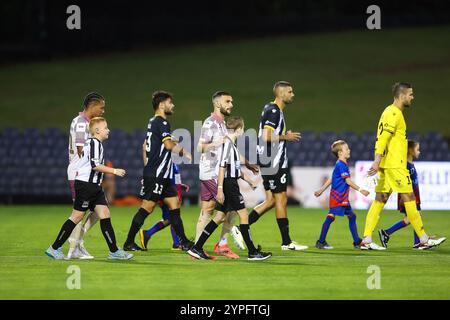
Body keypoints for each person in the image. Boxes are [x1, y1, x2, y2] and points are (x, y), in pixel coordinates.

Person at [362, 82, 446, 250]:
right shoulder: (394, 113)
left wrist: (379, 160)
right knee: (410, 197)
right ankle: (423, 239)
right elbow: (383, 138)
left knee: (380, 200)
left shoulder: (389, 111)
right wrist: (377, 160)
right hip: (394, 164)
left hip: (388, 164)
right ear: (401, 96)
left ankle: (367, 239)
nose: (412, 97)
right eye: (410, 94)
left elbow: (382, 137)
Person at [45, 117, 132, 260]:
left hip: (94, 187)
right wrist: (114, 171)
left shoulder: (95, 144)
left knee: (104, 214)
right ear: (97, 130)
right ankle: (54, 248)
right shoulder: (94, 143)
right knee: (77, 216)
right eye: (105, 127)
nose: (108, 130)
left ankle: (114, 251)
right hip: (86, 185)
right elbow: (95, 165)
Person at [188, 116, 272, 261]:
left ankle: (197, 248)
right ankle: (252, 252)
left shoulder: (229, 144)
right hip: (229, 185)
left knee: (220, 217)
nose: (243, 131)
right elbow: (222, 168)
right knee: (244, 216)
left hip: (229, 182)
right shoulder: (227, 145)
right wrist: (220, 189)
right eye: (243, 128)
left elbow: (233, 168)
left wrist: (248, 179)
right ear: (238, 130)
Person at [123, 91, 193, 251]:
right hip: (157, 175)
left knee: (175, 205)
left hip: (163, 175)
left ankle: (184, 242)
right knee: (147, 208)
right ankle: (128, 242)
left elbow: (148, 146)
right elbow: (168, 146)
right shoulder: (161, 122)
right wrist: (184, 152)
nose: (172, 105)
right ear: (162, 105)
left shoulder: (152, 122)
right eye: (170, 102)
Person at [247, 81, 308, 251]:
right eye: (290, 91)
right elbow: (266, 137)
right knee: (281, 198)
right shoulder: (273, 111)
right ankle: (286, 242)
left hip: (270, 161)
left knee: (271, 200)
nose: (292, 94)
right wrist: (285, 137)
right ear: (281, 94)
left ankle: (241, 228)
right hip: (273, 162)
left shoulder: (273, 109)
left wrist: (282, 136)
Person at [197, 91, 256, 259]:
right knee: (231, 210)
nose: (231, 104)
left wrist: (247, 164)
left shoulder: (222, 124)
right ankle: (221, 244)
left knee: (208, 210)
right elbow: (200, 148)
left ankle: (196, 249)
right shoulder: (210, 123)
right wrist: (218, 142)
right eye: (227, 101)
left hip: (214, 172)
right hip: (213, 173)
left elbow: (230, 151)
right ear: (217, 104)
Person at [66, 92, 105, 260]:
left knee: (99, 210)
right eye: (101, 107)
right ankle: (73, 248)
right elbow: (81, 150)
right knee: (79, 213)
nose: (103, 111)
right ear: (92, 106)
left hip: (86, 175)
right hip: (79, 173)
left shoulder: (84, 122)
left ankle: (77, 241)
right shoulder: (82, 124)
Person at [314, 140, 369, 249]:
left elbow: (332, 178)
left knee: (351, 216)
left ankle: (357, 241)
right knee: (332, 216)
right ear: (340, 153)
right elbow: (348, 181)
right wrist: (361, 190)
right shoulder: (341, 165)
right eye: (346, 149)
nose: (349, 150)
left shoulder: (340, 164)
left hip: (341, 196)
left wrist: (322, 189)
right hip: (338, 196)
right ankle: (321, 241)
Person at [378, 140, 423, 249]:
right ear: (410, 151)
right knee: (415, 217)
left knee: (413, 217)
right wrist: (403, 198)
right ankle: (387, 233)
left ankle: (416, 242)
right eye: (417, 149)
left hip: (413, 194)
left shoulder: (410, 164)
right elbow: (402, 183)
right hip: (408, 196)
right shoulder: (406, 165)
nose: (419, 152)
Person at [139, 163, 187, 251]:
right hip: (166, 194)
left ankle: (176, 243)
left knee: (170, 219)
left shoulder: (173, 164)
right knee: (173, 218)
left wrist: (180, 186)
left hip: (172, 193)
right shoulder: (165, 162)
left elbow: (173, 179)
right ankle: (177, 244)